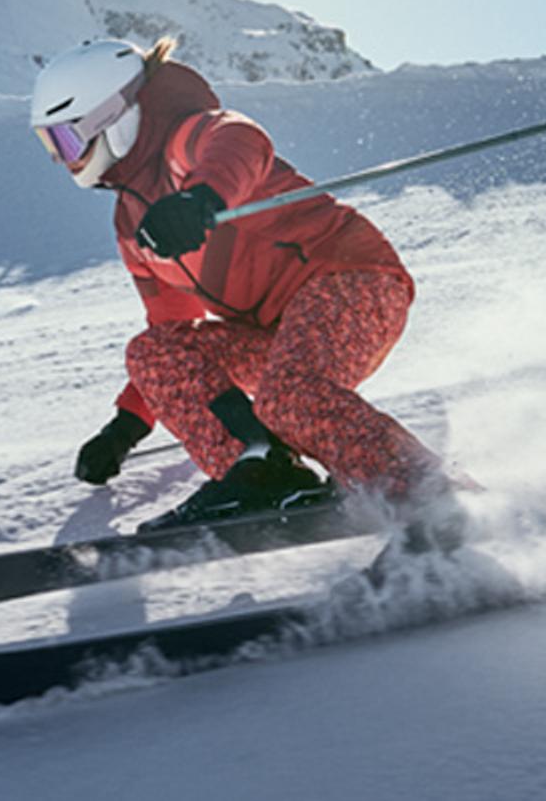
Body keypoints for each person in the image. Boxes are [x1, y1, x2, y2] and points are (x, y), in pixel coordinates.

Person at [30, 37, 454, 531]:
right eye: (49, 146)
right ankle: (260, 469)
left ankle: (431, 498)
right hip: (278, 333)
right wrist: (125, 428)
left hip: (352, 283)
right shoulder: (131, 222)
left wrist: (202, 199)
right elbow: (174, 331)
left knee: (286, 395)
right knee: (152, 351)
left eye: (65, 140)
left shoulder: (188, 139)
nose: (63, 160)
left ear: (111, 117)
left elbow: (241, 140)